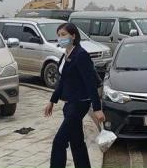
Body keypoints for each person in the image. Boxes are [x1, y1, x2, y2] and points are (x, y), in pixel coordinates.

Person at [44, 23, 105, 168]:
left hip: (78, 104)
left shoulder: (81, 55)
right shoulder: (65, 55)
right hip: (69, 104)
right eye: (59, 35)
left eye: (64, 35)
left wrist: (97, 108)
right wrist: (52, 101)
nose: (61, 38)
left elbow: (90, 83)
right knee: (76, 141)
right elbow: (62, 80)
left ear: (73, 36)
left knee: (59, 141)